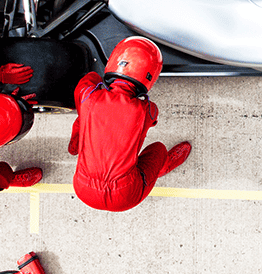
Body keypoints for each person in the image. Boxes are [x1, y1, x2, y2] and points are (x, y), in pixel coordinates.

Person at [70, 38, 191, 212]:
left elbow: (88, 82)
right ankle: (159, 169)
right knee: (159, 149)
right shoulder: (145, 110)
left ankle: (74, 145)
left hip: (83, 187)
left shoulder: (88, 95)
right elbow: (153, 117)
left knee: (84, 120)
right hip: (125, 195)